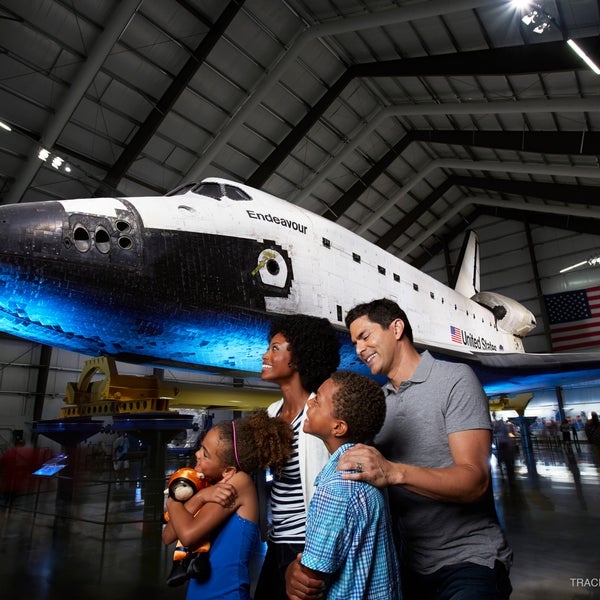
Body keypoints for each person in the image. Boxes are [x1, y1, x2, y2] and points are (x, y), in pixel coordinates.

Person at [286, 298, 512, 600]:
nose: (359, 350)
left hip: (468, 560)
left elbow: (475, 481)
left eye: (365, 336)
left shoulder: (455, 380)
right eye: (354, 342)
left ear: (396, 328)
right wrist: (302, 568)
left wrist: (394, 472)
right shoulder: (378, 403)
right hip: (406, 564)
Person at [286, 370, 402, 599]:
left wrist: (292, 571)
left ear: (338, 427)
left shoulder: (336, 490)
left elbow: (309, 580)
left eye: (318, 400)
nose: (310, 402)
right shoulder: (369, 476)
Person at [253, 314, 341, 600]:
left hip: (307, 547)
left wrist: (315, 555)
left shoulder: (320, 415)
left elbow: (338, 492)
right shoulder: (271, 412)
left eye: (275, 348)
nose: (265, 355)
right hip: (276, 542)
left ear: (299, 357)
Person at [162, 410, 294, 600]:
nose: (197, 454)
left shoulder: (238, 483)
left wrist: (173, 499)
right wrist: (199, 498)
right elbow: (168, 536)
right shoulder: (210, 488)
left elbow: (188, 535)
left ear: (228, 471)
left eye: (206, 455)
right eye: (201, 447)